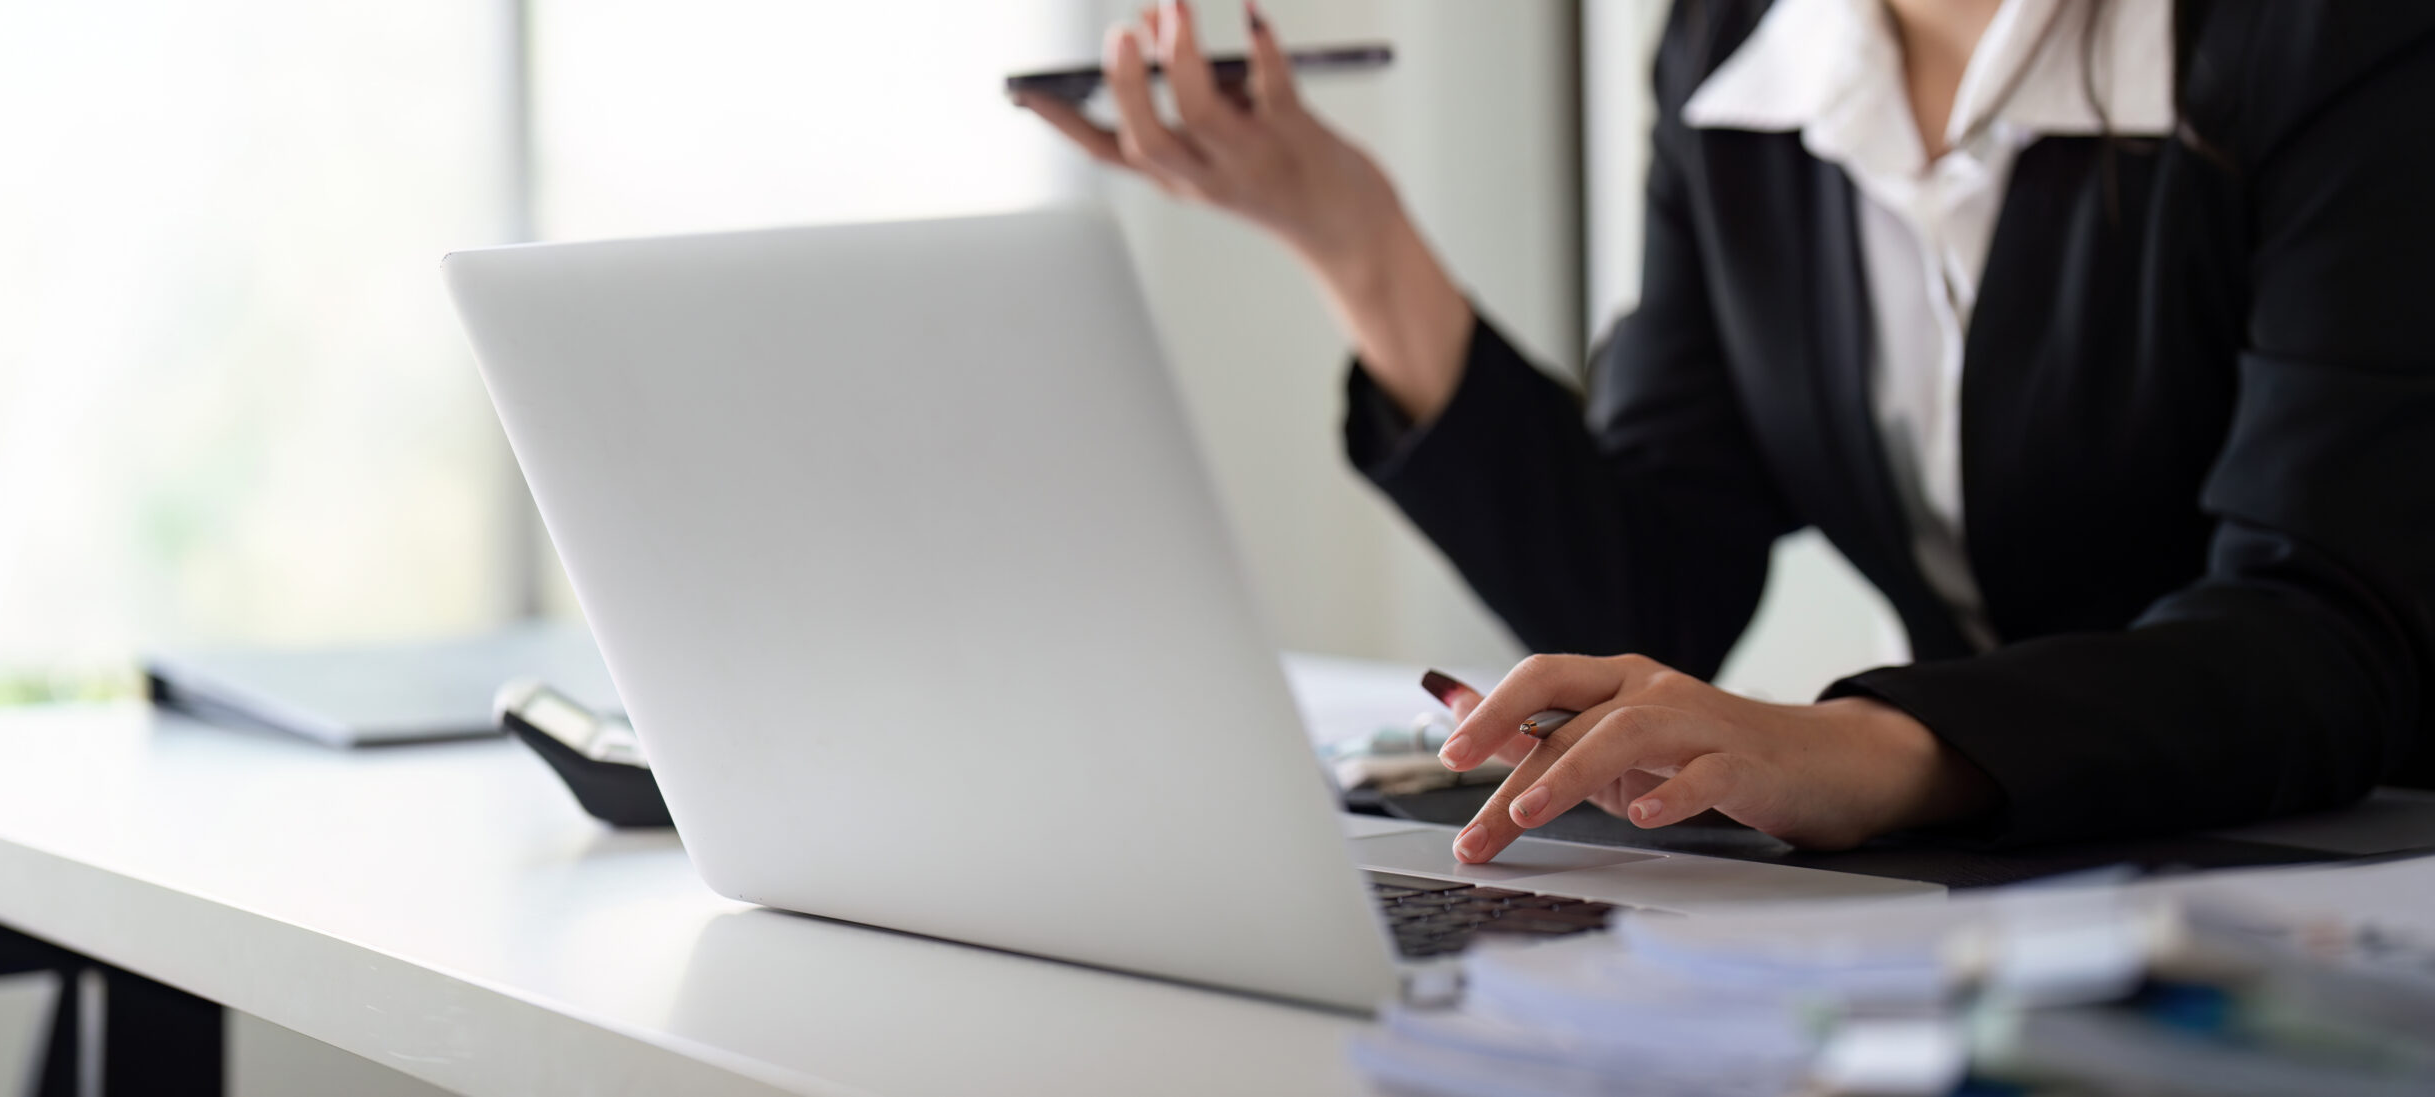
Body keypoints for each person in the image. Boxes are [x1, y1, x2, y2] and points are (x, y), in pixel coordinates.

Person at [1016, 0, 2435, 860]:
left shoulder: (2343, 41)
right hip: (2017, 883)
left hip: (2351, 874)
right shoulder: (1738, 46)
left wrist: (1875, 748)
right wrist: (1354, 239)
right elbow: (1650, 587)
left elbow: (2334, 624)